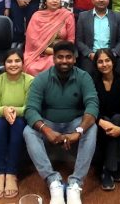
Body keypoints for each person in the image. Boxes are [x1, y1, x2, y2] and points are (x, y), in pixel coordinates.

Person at [22, 41, 99, 204]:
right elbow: (31, 109)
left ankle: (76, 183)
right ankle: (53, 182)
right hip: (49, 123)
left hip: (74, 123)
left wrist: (78, 131)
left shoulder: (84, 77)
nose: (64, 61)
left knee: (91, 129)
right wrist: (46, 130)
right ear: (53, 58)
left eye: (68, 57)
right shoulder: (42, 78)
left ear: (75, 59)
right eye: (60, 57)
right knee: (28, 131)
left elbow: (92, 106)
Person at [0, 50, 34, 199]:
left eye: (17, 61)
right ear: (4, 64)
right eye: (9, 61)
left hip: (21, 119)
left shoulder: (30, 81)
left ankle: (12, 173)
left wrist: (13, 110)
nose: (13, 64)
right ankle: (0, 173)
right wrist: (4, 110)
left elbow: (30, 108)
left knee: (18, 124)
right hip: (1, 118)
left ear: (23, 63)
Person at [92, 48, 120, 190]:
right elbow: (88, 108)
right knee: (111, 120)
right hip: (99, 123)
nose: (104, 64)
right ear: (96, 64)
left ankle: (106, 170)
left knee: (116, 118)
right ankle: (112, 168)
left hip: (119, 123)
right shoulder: (92, 82)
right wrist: (100, 121)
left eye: (107, 60)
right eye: (100, 62)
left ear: (113, 62)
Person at [24, 0, 76, 76]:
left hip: (60, 53)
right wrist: (49, 50)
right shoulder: (37, 16)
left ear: (60, 1)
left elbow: (71, 39)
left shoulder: (67, 15)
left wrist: (59, 52)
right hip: (38, 52)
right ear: (45, 1)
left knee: (54, 64)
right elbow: (33, 40)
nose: (54, 1)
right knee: (31, 68)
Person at [76, 0, 120, 75]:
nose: (101, 0)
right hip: (90, 57)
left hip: (112, 56)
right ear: (92, 0)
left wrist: (113, 54)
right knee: (86, 76)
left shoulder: (118, 16)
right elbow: (79, 40)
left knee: (118, 76)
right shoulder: (83, 17)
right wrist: (90, 54)